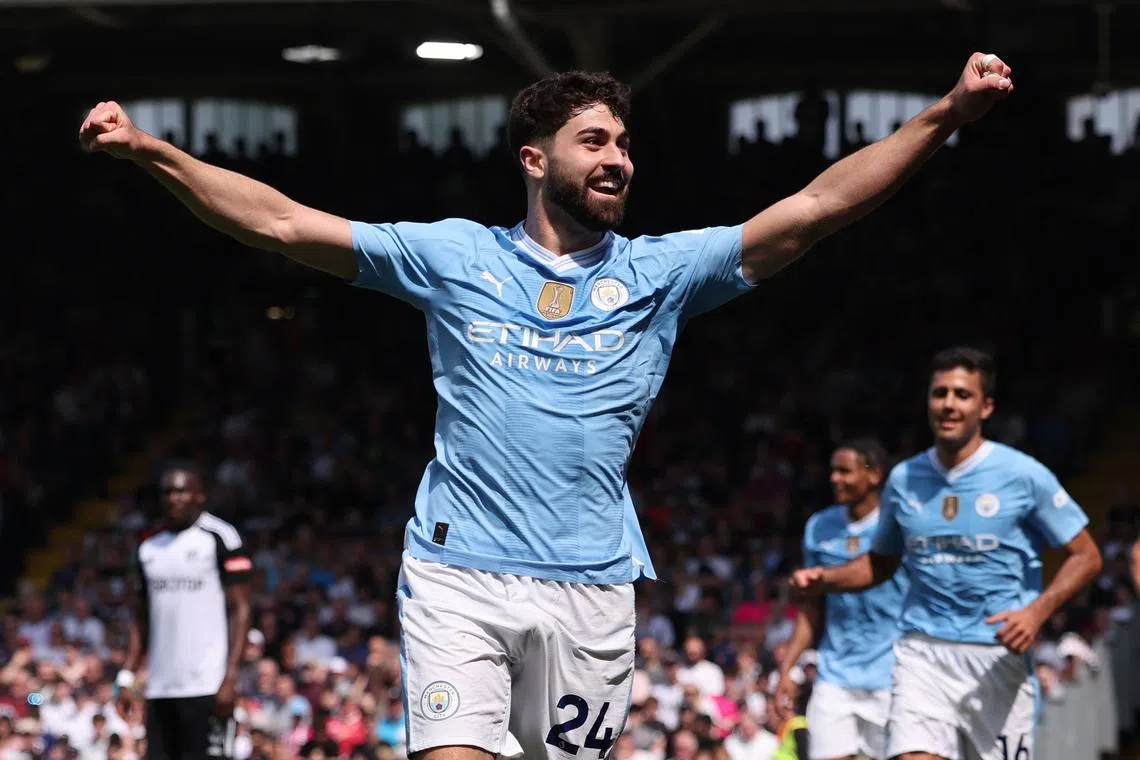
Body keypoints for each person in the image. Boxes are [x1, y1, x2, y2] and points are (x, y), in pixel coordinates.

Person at [80, 54, 1014, 760]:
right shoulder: (451, 256)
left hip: (592, 586)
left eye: (624, 145)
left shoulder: (661, 272)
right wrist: (150, 150)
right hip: (458, 574)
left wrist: (947, 114)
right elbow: (281, 223)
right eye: (595, 142)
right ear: (536, 159)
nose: (619, 161)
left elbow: (815, 208)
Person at [792, 347, 1103, 760]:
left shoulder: (1023, 474)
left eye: (962, 394)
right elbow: (880, 563)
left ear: (985, 406)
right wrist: (824, 578)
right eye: (940, 393)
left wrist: (1036, 613)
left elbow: (1086, 556)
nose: (949, 404)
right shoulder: (904, 480)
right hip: (922, 654)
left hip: (997, 656)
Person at [776, 438, 907, 760]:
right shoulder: (820, 526)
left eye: (845, 471)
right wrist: (786, 669)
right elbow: (811, 607)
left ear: (874, 474)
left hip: (893, 674)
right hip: (835, 675)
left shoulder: (899, 524)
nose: (835, 479)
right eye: (833, 471)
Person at [118, 462, 253, 760]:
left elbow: (241, 610)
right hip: (161, 688)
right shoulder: (147, 547)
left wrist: (230, 676)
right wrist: (127, 676)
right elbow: (141, 618)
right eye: (167, 492)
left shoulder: (221, 537)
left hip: (208, 684)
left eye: (181, 491)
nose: (173, 498)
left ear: (200, 496)